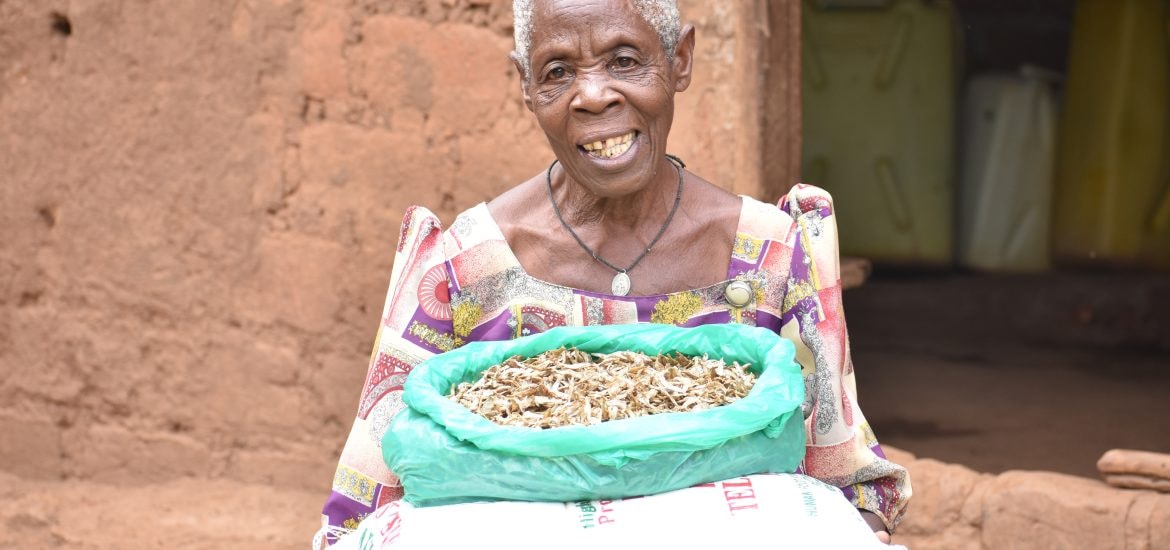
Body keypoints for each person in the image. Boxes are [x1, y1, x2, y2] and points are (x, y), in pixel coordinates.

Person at [314, 0, 911, 546]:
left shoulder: (772, 256)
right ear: (525, 86)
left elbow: (847, 485)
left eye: (625, 61)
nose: (593, 96)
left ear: (680, 61)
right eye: (557, 72)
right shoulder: (466, 267)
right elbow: (365, 503)